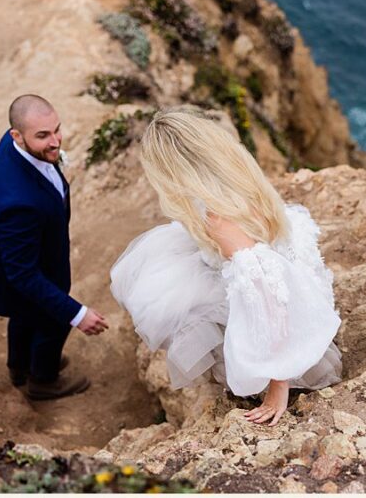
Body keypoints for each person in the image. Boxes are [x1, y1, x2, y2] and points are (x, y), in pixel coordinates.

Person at [110, 107, 342, 426]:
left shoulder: (217, 220)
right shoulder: (237, 178)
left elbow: (268, 290)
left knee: (176, 301)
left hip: (281, 301)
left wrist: (278, 384)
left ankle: (270, 370)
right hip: (288, 271)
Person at [0, 94, 110, 401]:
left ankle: (19, 367)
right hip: (27, 265)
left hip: (22, 249)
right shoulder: (19, 204)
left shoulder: (15, 145)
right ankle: (43, 378)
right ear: (17, 135)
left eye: (57, 130)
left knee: (23, 312)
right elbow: (24, 276)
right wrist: (77, 314)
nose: (55, 142)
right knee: (53, 320)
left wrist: (44, 145)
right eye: (43, 136)